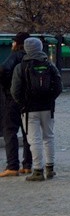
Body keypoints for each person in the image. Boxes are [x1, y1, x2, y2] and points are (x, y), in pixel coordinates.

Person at [10, 37, 62, 181]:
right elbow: (58, 86)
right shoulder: (49, 65)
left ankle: (38, 170)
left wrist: (22, 103)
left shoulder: (21, 67)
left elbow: (15, 90)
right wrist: (50, 99)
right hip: (47, 108)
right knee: (49, 137)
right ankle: (50, 168)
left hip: (29, 109)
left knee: (34, 140)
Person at [0, 31, 33, 177]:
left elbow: (4, 69)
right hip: (30, 101)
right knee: (28, 133)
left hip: (13, 99)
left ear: (18, 44)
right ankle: (27, 165)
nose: (12, 44)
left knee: (9, 131)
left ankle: (12, 165)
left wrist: (7, 86)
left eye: (14, 42)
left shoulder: (15, 56)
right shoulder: (33, 57)